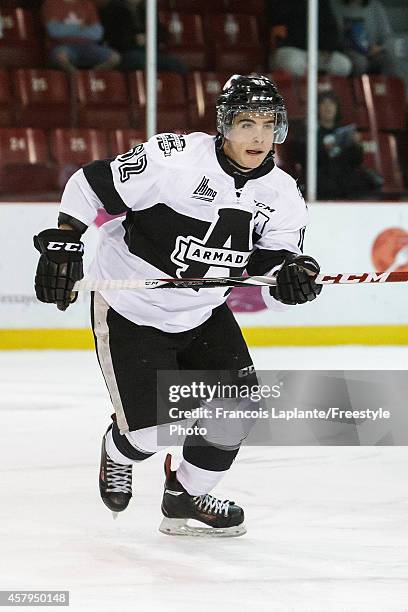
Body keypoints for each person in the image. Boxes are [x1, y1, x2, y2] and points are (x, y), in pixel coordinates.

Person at [32, 75, 322, 537]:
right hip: (133, 308)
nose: (258, 137)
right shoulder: (174, 160)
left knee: (237, 413)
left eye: (268, 124)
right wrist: (64, 242)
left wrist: (293, 283)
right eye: (246, 123)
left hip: (203, 312)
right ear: (224, 125)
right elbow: (89, 186)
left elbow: (272, 284)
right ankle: (119, 445)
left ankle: (184, 496)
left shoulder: (283, 195)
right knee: (155, 434)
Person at [293, 90, 383, 199]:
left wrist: (356, 145)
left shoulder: (344, 132)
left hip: (345, 180)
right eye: (324, 103)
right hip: (323, 180)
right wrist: (323, 149)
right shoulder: (310, 132)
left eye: (331, 103)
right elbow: (303, 157)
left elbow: (356, 161)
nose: (328, 107)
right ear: (317, 108)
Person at [92, 0, 187, 74]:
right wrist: (134, 40)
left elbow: (161, 33)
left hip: (149, 51)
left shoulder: (147, 9)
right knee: (139, 61)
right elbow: (113, 39)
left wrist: (149, 38)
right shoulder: (112, 9)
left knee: (177, 64)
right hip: (125, 53)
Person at [267, 0, 352, 77]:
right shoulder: (281, 3)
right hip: (289, 49)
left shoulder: (321, 2)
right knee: (295, 63)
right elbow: (277, 18)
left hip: (318, 52)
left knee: (343, 64)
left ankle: (325, 91)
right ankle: (300, 93)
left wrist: (328, 49)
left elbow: (331, 28)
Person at [41, 0, 121, 73]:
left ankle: (90, 77)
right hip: (61, 46)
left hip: (88, 46)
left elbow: (97, 34)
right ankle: (76, 77)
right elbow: (54, 31)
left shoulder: (86, 4)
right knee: (61, 58)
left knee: (114, 58)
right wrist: (81, 28)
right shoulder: (51, 3)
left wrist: (65, 28)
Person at [330, 0, 397, 75]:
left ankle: (384, 85)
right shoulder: (333, 5)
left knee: (387, 59)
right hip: (346, 51)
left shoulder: (375, 6)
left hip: (372, 50)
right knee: (359, 62)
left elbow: (387, 36)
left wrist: (379, 48)